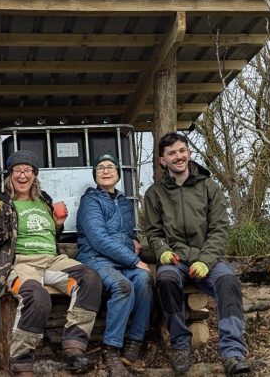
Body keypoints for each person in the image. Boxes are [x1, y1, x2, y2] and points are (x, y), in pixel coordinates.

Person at [0, 150, 102, 377]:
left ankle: (74, 347)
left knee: (90, 278)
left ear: (34, 175)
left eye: (28, 170)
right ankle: (20, 358)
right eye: (17, 170)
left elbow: (50, 235)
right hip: (21, 262)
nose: (22, 175)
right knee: (37, 296)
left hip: (52, 260)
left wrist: (58, 224)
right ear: (10, 175)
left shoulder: (44, 199)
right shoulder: (2, 201)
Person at [143, 133, 251, 376]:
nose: (178, 156)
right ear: (163, 160)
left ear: (189, 154)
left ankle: (232, 352)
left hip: (208, 259)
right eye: (171, 153)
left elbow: (220, 228)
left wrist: (205, 260)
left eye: (182, 151)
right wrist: (162, 251)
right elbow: (153, 231)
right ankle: (180, 346)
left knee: (229, 281)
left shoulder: (209, 187)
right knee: (166, 280)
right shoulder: (154, 194)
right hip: (176, 260)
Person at [76, 154, 153, 377]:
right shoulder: (90, 201)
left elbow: (126, 234)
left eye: (111, 167)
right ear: (95, 175)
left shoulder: (125, 203)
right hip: (95, 258)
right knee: (123, 286)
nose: (106, 171)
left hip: (121, 259)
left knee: (145, 279)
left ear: (118, 174)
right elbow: (98, 238)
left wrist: (133, 241)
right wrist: (133, 259)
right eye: (100, 168)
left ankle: (135, 341)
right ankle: (111, 348)